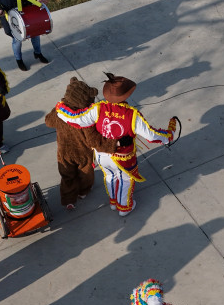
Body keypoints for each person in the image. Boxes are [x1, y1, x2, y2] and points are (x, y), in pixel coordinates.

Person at [53, 73, 176, 216]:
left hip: (102, 155)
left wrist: (61, 106)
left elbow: (76, 118)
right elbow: (151, 135)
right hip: (122, 157)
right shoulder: (132, 115)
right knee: (125, 179)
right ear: (126, 96)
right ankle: (124, 207)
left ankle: (113, 202)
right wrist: (169, 135)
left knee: (110, 176)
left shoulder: (98, 108)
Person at [44, 77, 116, 210]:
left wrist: (58, 106)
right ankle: (83, 191)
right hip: (84, 153)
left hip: (64, 152)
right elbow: (93, 140)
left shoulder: (59, 113)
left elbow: (48, 121)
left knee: (67, 175)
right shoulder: (85, 120)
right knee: (86, 174)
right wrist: (111, 144)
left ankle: (69, 200)